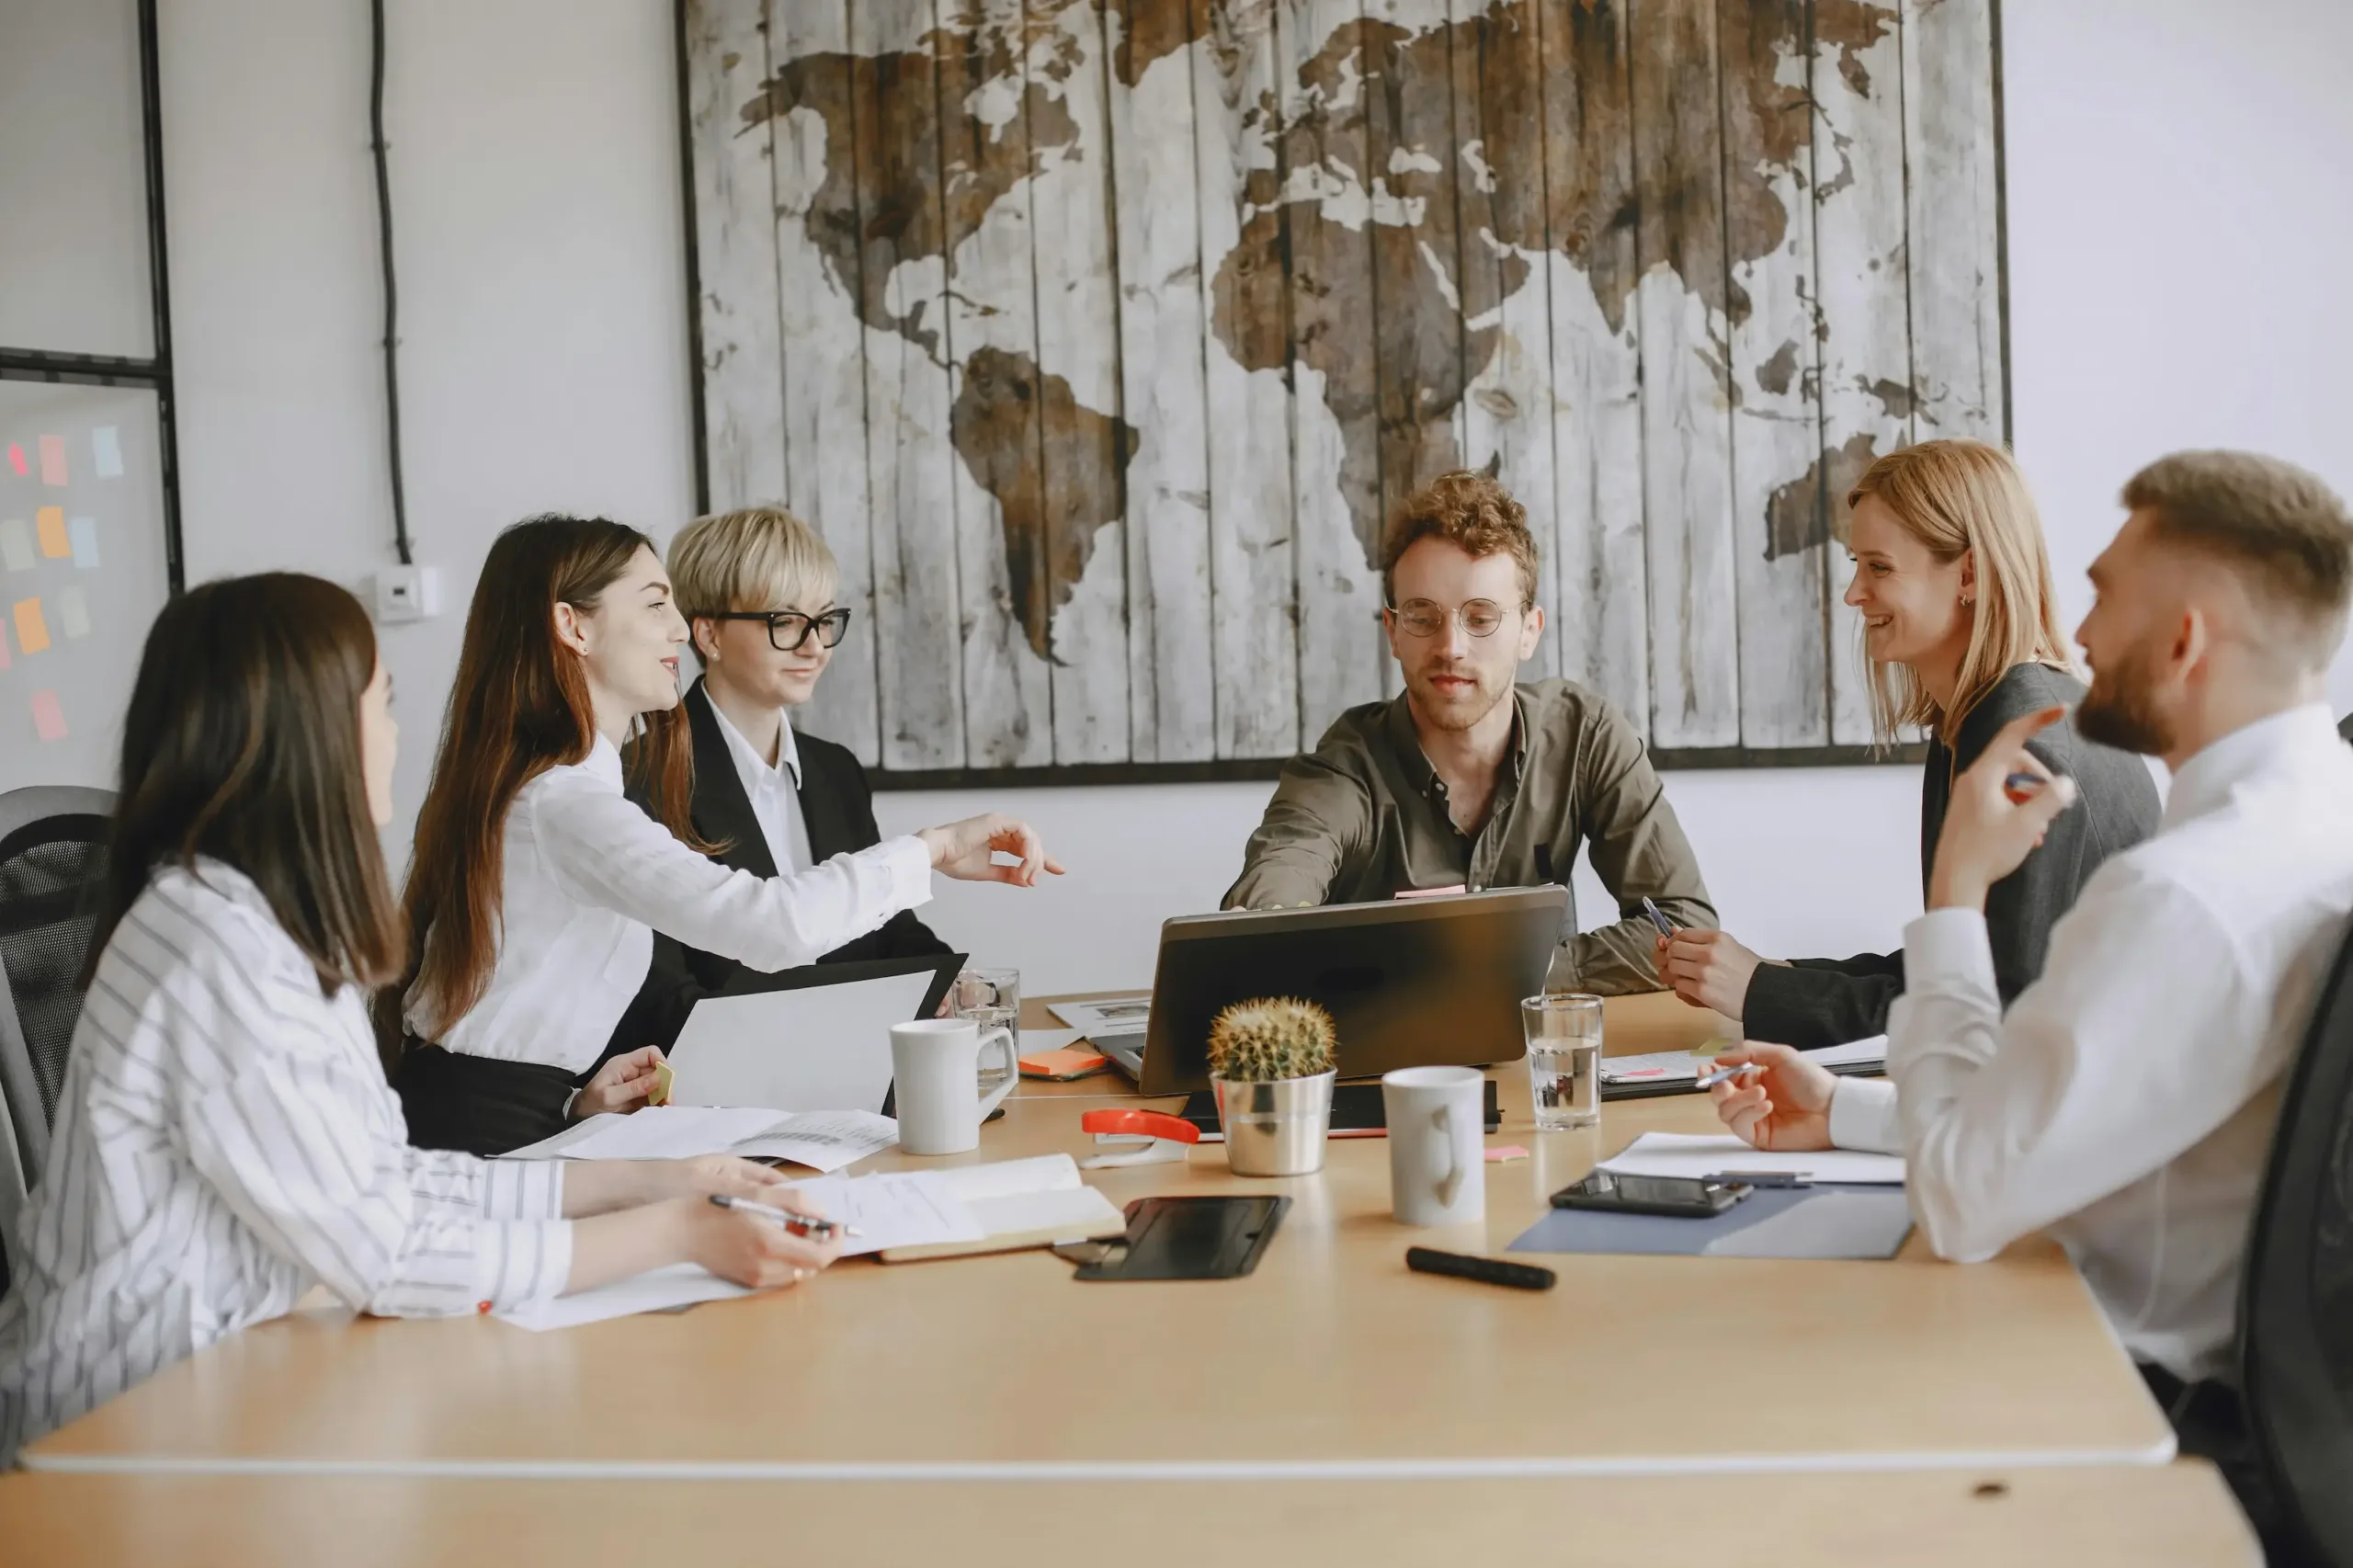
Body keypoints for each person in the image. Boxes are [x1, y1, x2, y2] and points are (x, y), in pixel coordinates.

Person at [0, 574, 839, 1463]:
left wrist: (658, 1183)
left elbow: (388, 1185)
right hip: (131, 1427)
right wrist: (680, 1233)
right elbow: (390, 1250)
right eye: (383, 703)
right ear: (308, 733)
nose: (394, 736)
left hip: (250, 1375)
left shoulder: (255, 923)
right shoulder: (215, 949)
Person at [1706, 451, 2353, 1557]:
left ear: (2186, 639)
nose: (2078, 630)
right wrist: (1847, 1110)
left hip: (2130, 1407)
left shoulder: (2177, 895)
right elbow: (2081, 1109)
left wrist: (1956, 887)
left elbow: (1963, 1201)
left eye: (2105, 593)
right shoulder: (2321, 821)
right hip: (2277, 1425)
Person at [385, 516, 1062, 1158]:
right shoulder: (566, 803)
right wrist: (935, 847)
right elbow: (771, 927)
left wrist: (571, 1105)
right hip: (478, 1131)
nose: (680, 629)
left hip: (531, 1113)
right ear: (573, 626)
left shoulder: (562, 792)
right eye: (655, 606)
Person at [1656, 441, 2160, 1043]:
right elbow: (1959, 962)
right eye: (1856, 564)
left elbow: (1994, 1009)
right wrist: (1770, 976)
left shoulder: (2021, 749)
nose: (1852, 593)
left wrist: (1760, 991)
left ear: (1969, 574)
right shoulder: (1986, 718)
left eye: (1880, 567)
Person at [1223, 470, 1716, 993]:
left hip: (1537, 1057)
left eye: (1481, 617)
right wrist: (1265, 921)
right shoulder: (1345, 767)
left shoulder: (1585, 737)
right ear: (1392, 631)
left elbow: (1683, 925)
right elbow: (1273, 896)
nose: (1451, 646)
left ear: (1530, 630)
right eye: (1421, 616)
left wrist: (1528, 970)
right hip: (1388, 1065)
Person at [598, 506, 953, 1062]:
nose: (815, 647)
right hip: (724, 1086)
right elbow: (660, 994)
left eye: (825, 619)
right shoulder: (635, 778)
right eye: (785, 622)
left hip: (853, 1071)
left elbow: (885, 929)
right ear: (708, 634)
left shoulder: (835, 770)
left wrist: (957, 989)